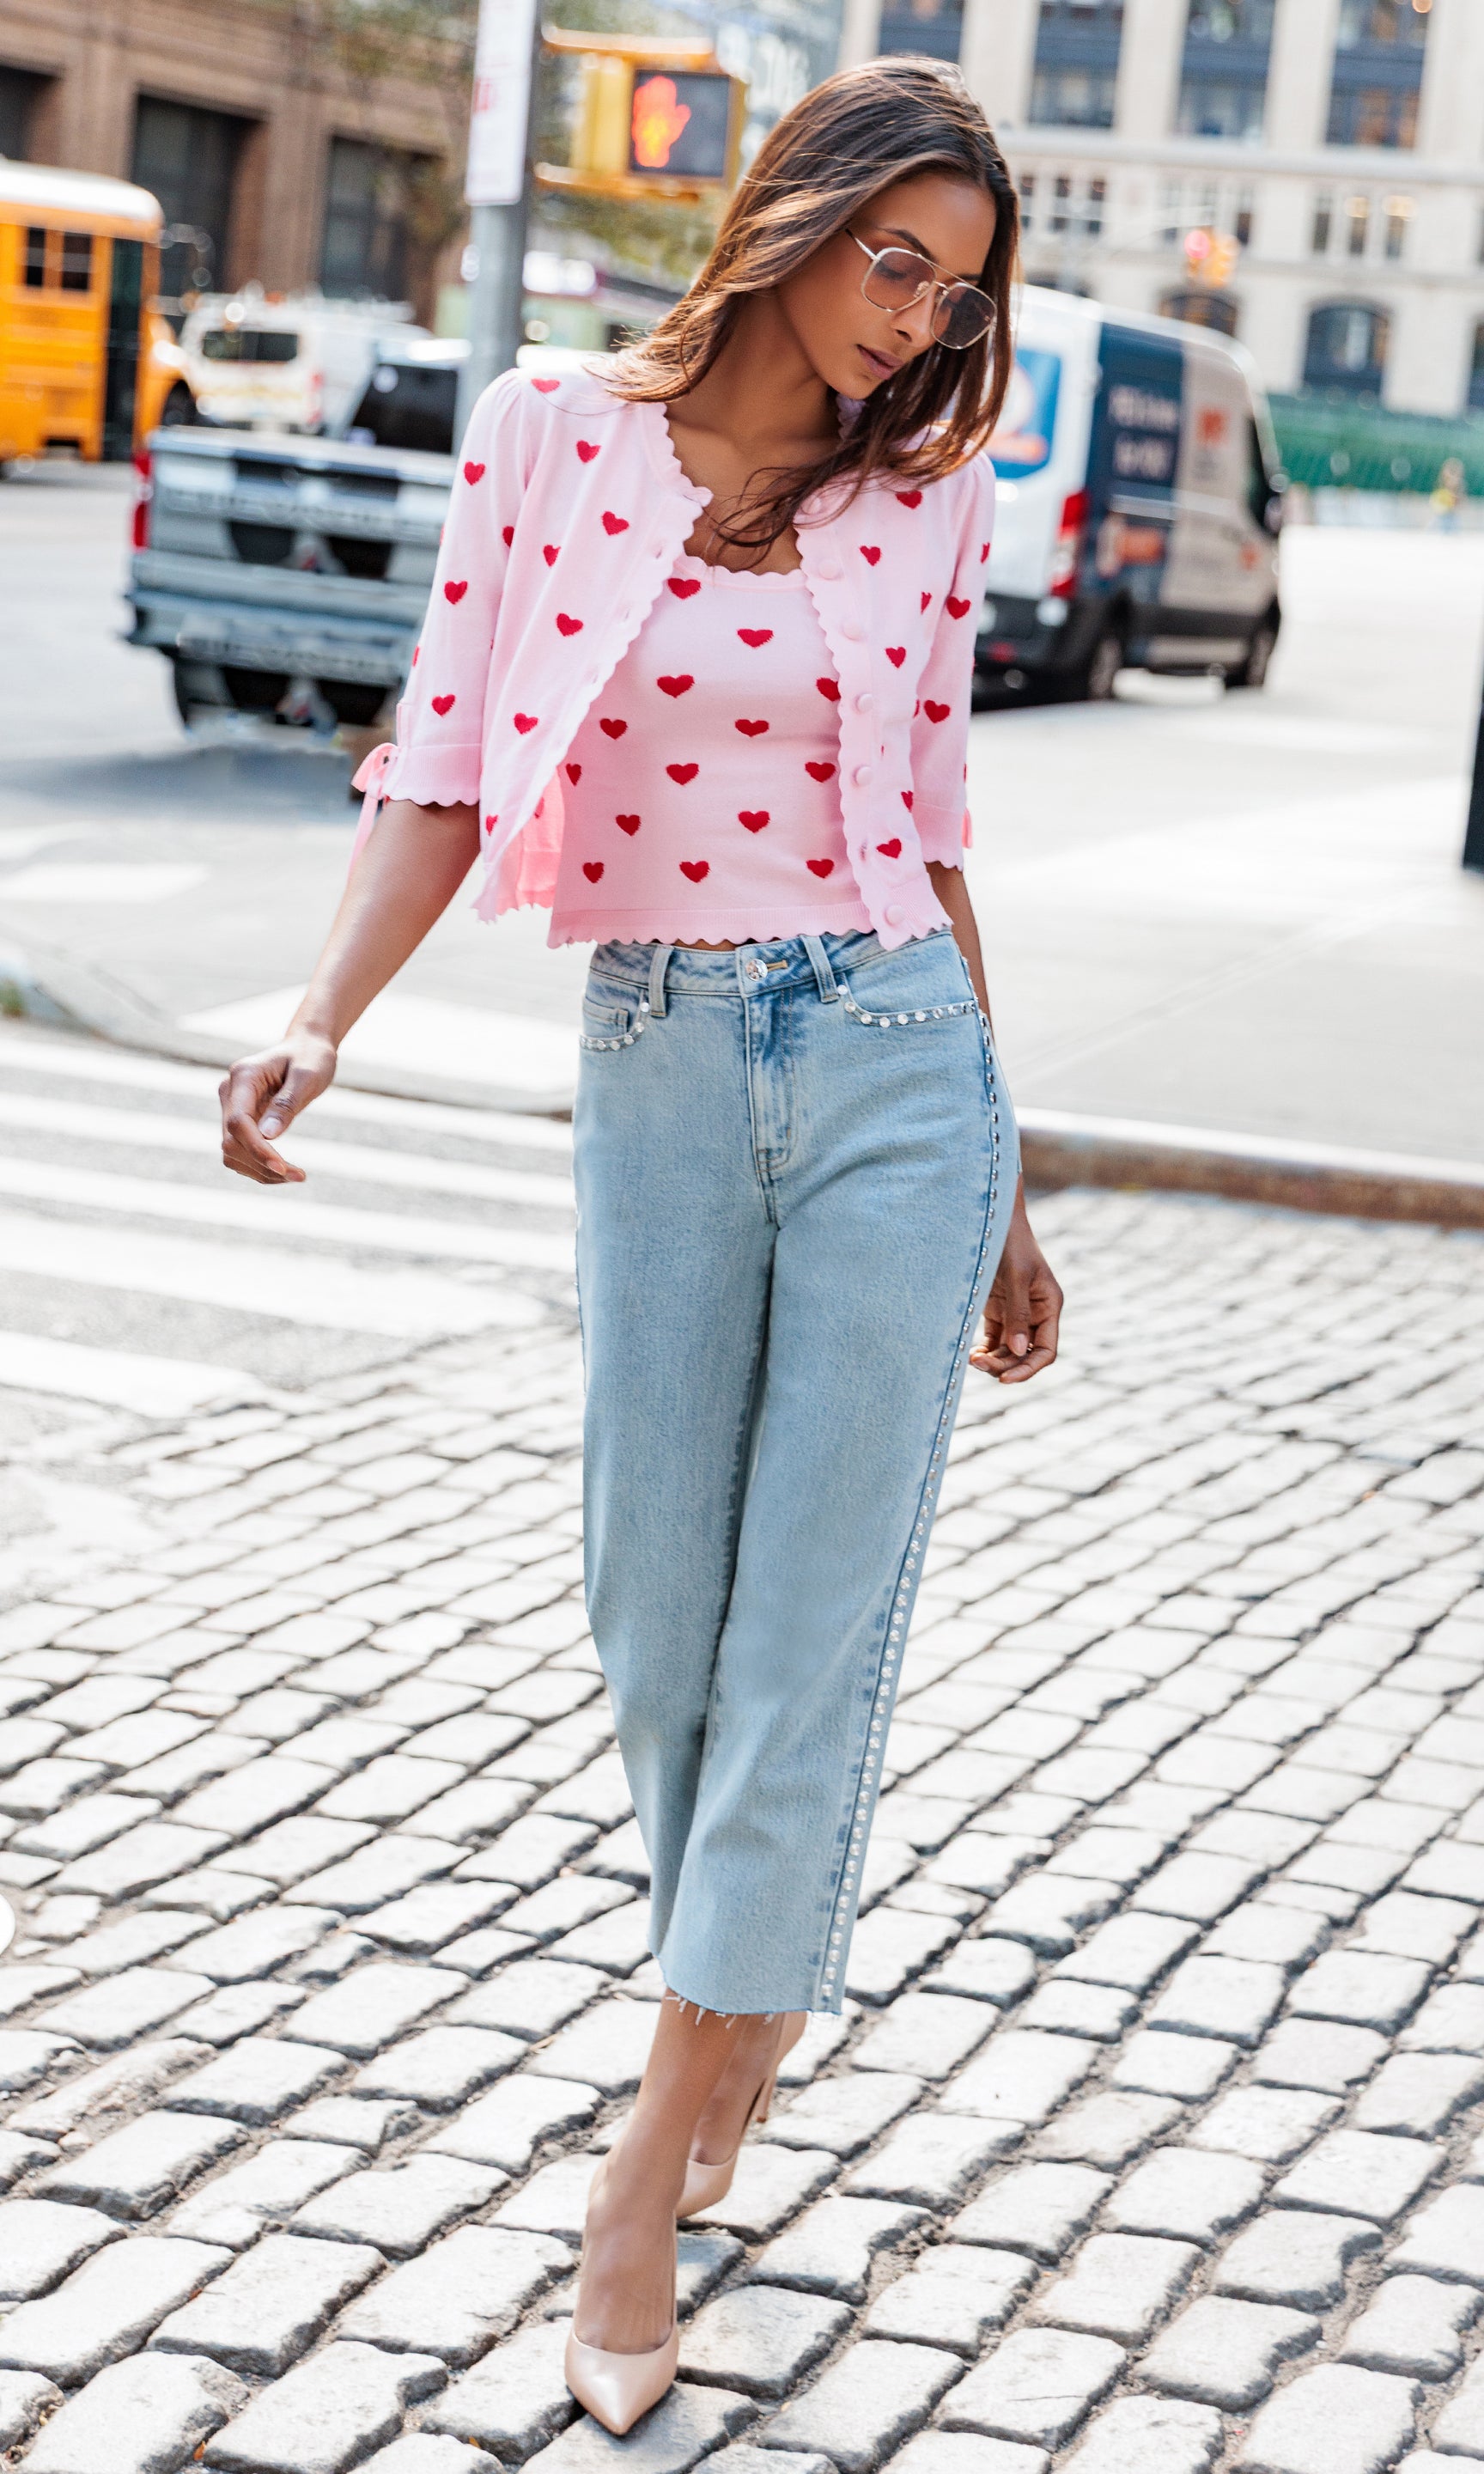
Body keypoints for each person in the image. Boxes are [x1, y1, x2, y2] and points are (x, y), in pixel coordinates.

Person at [217, 54, 1061, 2437]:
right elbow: (447, 755)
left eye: (957, 289)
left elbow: (940, 824)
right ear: (786, 212)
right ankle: (748, 1999)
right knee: (648, 1605)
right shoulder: (553, 431)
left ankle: (650, 2152)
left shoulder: (929, 492)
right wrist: (318, 1020)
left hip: (899, 1052)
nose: (913, 319)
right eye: (890, 256)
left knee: (810, 1627)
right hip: (665, 1058)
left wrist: (1012, 1158)